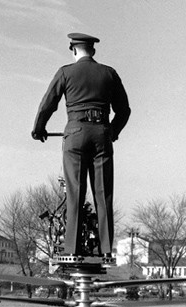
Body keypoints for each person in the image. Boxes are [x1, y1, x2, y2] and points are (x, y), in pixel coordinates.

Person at [32, 32, 130, 257]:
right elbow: (124, 110)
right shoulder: (109, 73)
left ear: (74, 50)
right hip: (102, 134)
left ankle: (72, 248)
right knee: (103, 194)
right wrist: (112, 132)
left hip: (75, 134)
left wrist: (39, 129)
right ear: (93, 51)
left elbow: (47, 105)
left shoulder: (66, 72)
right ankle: (106, 249)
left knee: (75, 192)